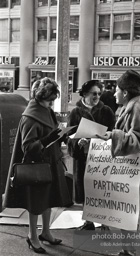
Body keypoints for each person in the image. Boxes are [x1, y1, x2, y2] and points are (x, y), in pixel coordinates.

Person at [3, 77, 71, 254]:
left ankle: (46, 232)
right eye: (49, 101)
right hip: (37, 166)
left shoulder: (44, 111)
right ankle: (32, 236)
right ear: (39, 97)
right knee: (35, 204)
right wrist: (49, 139)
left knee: (48, 200)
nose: (51, 104)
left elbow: (51, 132)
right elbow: (28, 147)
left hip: (48, 164)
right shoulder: (30, 117)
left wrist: (61, 136)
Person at [96, 70, 140, 256]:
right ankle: (128, 250)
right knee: (128, 212)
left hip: (131, 171)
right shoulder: (132, 106)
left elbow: (138, 139)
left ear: (126, 93)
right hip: (128, 171)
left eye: (117, 90)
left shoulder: (136, 108)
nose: (114, 93)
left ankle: (128, 251)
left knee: (128, 212)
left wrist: (113, 135)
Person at [67, 79, 116, 230]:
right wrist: (77, 142)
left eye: (99, 94)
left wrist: (101, 139)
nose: (97, 97)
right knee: (84, 187)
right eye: (94, 93)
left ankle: (104, 222)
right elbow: (69, 135)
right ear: (85, 93)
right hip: (82, 158)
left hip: (101, 157)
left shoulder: (106, 110)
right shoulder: (75, 112)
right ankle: (88, 221)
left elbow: (113, 132)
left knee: (101, 189)